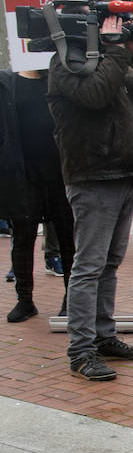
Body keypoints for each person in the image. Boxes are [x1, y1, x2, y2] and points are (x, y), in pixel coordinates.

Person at [47, 4, 133, 381]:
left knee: (109, 263)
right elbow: (94, 95)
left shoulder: (110, 59)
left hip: (125, 170)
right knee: (89, 266)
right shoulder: (67, 61)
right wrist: (114, 49)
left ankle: (104, 335)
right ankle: (81, 350)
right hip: (94, 175)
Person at [0, 67, 75, 323]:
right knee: (23, 239)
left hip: (62, 175)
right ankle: (25, 300)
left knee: (68, 240)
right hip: (24, 177)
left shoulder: (62, 81)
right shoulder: (8, 84)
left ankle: (71, 298)